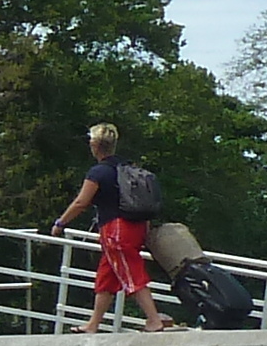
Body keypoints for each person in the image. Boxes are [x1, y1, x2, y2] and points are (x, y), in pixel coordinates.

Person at [50, 121, 174, 333]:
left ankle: (154, 320)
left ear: (95, 146)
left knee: (131, 274)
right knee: (107, 277)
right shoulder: (125, 167)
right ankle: (93, 324)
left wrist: (60, 223)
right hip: (136, 227)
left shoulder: (98, 172)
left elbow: (81, 202)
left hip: (116, 231)